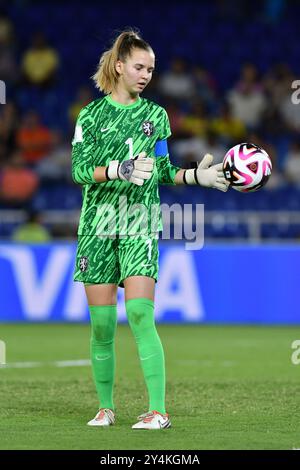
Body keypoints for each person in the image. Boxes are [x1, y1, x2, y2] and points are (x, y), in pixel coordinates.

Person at [71, 29, 228, 430]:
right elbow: (78, 169)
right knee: (102, 325)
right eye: (139, 67)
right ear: (119, 65)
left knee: (141, 314)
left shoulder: (155, 116)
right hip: (97, 225)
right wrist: (118, 170)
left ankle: (158, 411)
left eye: (151, 70)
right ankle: (106, 408)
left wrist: (196, 176)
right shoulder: (89, 116)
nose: (146, 75)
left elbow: (160, 169)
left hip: (139, 220)